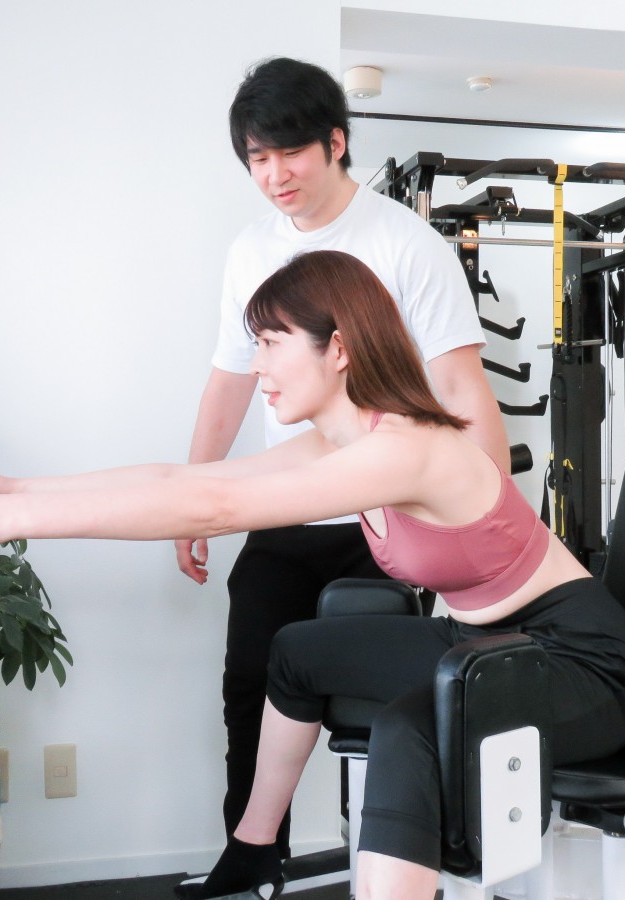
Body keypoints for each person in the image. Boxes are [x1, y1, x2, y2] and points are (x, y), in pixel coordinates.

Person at [0, 251, 625, 900]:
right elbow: (181, 479)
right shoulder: (343, 440)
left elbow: (214, 507)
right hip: (484, 646)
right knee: (296, 651)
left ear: (338, 348)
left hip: (579, 659)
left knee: (411, 729)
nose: (257, 363)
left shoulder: (405, 448)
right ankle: (255, 850)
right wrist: (13, 491)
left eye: (271, 342)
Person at [184, 56, 508, 859]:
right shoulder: (250, 251)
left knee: (392, 703)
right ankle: (253, 861)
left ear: (336, 142)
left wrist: (492, 523)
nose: (275, 175)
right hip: (290, 510)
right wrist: (192, 500)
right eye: (258, 157)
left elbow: (461, 388)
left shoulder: (405, 244)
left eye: (291, 152)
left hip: (388, 518)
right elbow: (229, 382)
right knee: (248, 687)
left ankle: (400, 858)